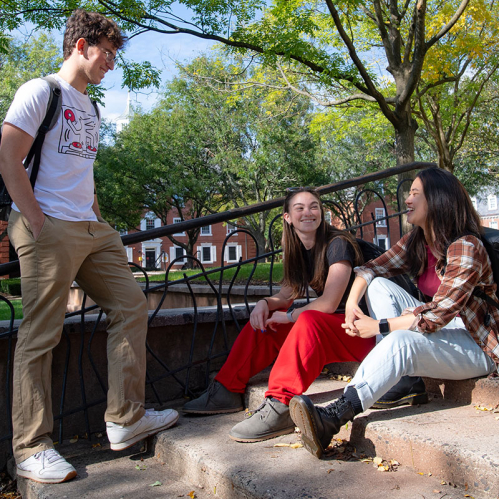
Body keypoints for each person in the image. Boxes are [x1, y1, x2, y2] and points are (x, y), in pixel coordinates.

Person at [0, 10, 178, 484]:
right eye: (107, 53)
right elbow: (8, 156)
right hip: (47, 226)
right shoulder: (42, 91)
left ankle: (125, 418)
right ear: (80, 46)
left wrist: (97, 215)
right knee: (41, 333)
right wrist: (36, 219)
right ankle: (31, 448)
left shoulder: (92, 107)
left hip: (89, 228)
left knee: (131, 306)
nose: (111, 64)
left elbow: (80, 170)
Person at [183, 187, 423, 442]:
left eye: (314, 207)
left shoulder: (337, 244)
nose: (308, 212)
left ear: (322, 213)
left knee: (307, 320)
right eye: (300, 208)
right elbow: (288, 294)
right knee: (266, 324)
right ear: (287, 216)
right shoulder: (297, 246)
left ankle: (280, 404)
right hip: (349, 328)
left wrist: (288, 316)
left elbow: (329, 303)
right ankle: (226, 388)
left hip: (379, 333)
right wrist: (266, 303)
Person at [289, 168, 499, 459]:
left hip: (478, 345)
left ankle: (333, 417)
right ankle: (401, 379)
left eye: (415, 193)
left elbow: (437, 315)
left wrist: (379, 326)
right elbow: (371, 269)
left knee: (401, 341)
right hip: (443, 329)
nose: (407, 199)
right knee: (377, 286)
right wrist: (351, 304)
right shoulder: (419, 240)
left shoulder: (466, 247)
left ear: (437, 200)